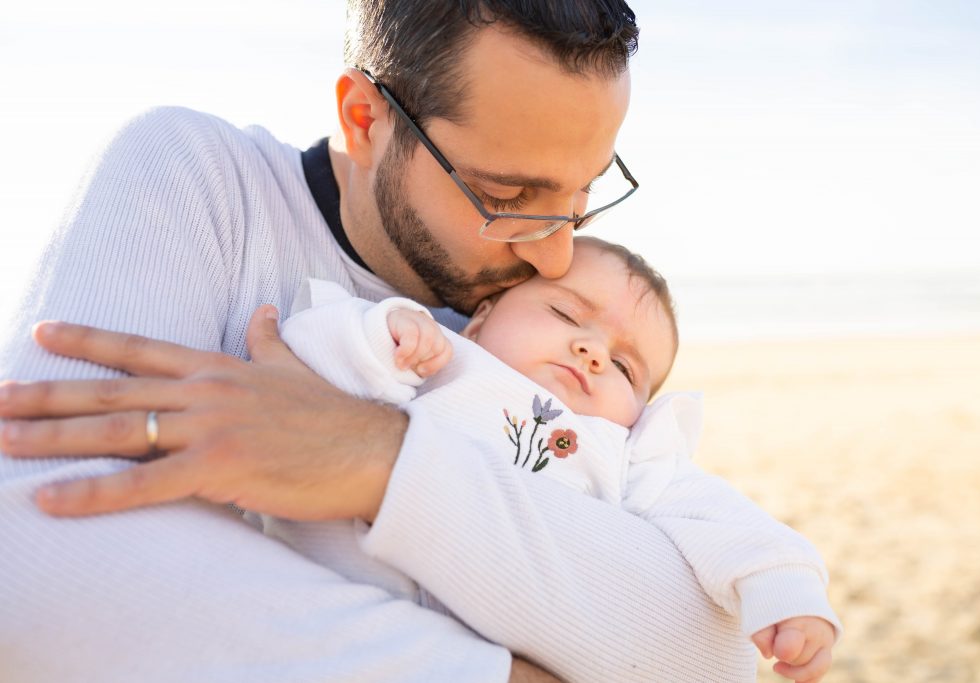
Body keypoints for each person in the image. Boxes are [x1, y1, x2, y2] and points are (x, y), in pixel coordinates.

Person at [0, 1, 829, 681]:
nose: (557, 255)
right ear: (364, 117)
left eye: (582, 196)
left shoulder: (549, 320)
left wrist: (376, 461)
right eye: (510, 194)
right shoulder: (203, 180)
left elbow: (708, 656)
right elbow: (32, 558)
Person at [264, 236, 840, 682]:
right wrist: (381, 330)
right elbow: (308, 347)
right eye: (566, 316)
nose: (592, 352)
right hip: (341, 619)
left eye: (624, 368)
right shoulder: (440, 358)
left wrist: (785, 588)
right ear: (484, 315)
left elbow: (717, 516)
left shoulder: (623, 449)